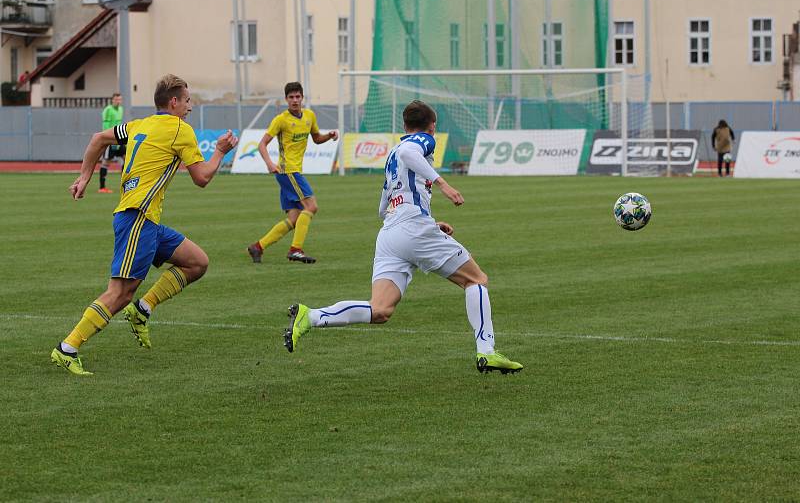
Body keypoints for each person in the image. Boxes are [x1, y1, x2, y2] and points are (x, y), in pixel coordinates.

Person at [283, 100, 523, 374]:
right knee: (476, 279)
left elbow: (383, 206)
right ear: (431, 127)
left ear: (404, 125)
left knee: (380, 309)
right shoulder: (419, 142)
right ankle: (487, 352)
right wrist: (443, 185)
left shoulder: (392, 154)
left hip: (391, 232)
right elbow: (412, 152)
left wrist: (425, 221)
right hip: (412, 228)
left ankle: (311, 316)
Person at [50, 74, 239, 375]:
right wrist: (220, 151)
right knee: (120, 292)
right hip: (137, 217)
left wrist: (84, 177)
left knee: (196, 263)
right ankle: (68, 348)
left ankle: (143, 309)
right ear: (174, 102)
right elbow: (202, 177)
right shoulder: (180, 129)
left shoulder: (139, 124)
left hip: (144, 220)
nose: (190, 106)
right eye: (188, 100)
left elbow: (98, 139)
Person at [247, 82, 338, 264]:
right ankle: (296, 250)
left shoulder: (310, 116)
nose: (295, 100)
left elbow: (316, 138)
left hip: (292, 171)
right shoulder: (281, 120)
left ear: (302, 98)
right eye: (291, 97)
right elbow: (262, 144)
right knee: (311, 207)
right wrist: (269, 163)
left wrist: (329, 136)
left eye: (298, 97)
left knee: (294, 218)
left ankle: (257, 247)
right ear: (286, 99)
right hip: (287, 170)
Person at [98, 93, 125, 193]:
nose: (118, 101)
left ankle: (125, 185)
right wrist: (109, 140)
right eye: (116, 99)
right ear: (112, 100)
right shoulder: (108, 110)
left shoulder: (121, 109)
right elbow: (105, 125)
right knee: (106, 162)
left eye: (120, 99)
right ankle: (102, 187)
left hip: (119, 139)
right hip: (110, 140)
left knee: (126, 158)